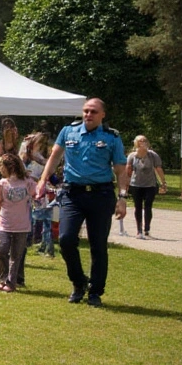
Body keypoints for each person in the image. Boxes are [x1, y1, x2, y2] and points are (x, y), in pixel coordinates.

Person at [35, 98, 127, 307]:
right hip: (72, 195)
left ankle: (95, 292)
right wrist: (42, 180)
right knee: (66, 239)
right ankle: (79, 282)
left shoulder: (111, 137)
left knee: (98, 245)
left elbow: (121, 170)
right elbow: (55, 157)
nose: (88, 115)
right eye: (86, 111)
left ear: (102, 115)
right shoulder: (69, 131)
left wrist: (122, 198)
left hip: (101, 195)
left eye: (93, 111)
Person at [0, 154, 35, 293]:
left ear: (10, 167)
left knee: (16, 255)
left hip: (22, 225)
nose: (0, 170)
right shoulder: (2, 183)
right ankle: (2, 278)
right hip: (5, 224)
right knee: (2, 250)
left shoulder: (27, 182)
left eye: (1, 167)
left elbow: (37, 194)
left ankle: (11, 282)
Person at [124, 135, 166, 240]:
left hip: (150, 185)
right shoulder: (132, 156)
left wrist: (163, 182)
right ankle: (139, 230)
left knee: (148, 206)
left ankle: (147, 227)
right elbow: (128, 172)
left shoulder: (152, 155)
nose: (143, 142)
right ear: (136, 143)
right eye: (140, 141)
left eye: (144, 140)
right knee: (138, 207)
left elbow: (158, 168)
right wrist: (125, 185)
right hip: (136, 185)